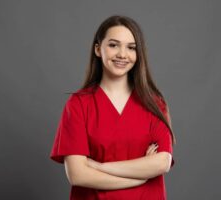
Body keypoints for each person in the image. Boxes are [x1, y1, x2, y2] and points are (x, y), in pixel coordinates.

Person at [50, 15, 176, 200]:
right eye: (113, 45)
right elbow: (78, 175)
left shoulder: (154, 103)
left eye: (131, 47)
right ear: (98, 49)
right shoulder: (78, 104)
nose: (122, 54)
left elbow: (161, 163)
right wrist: (139, 178)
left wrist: (98, 167)